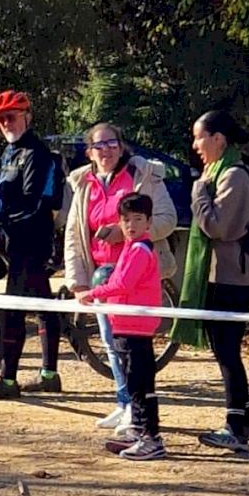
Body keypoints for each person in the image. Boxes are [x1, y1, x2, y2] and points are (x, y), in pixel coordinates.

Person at [63, 124, 178, 433]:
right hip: (100, 277)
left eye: (112, 143)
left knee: (132, 348)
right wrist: (77, 282)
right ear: (89, 152)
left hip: (134, 273)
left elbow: (168, 219)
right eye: (99, 146)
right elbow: (74, 235)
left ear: (122, 146)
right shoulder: (82, 184)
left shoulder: (144, 174)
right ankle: (124, 401)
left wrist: (126, 232)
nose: (106, 150)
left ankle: (138, 411)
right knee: (110, 343)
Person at [0, 90, 64, 398]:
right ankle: (49, 375)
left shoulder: (36, 153)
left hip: (33, 238)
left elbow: (32, 202)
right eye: (0, 119)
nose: (6, 123)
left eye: (11, 117)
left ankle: (8, 381)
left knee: (14, 308)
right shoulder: (10, 152)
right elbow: (0, 195)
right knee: (43, 304)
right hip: (15, 238)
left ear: (27, 117)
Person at [183, 110, 249, 452]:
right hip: (223, 275)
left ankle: (234, 425)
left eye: (199, 137)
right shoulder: (218, 172)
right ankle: (246, 419)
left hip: (235, 277)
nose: (195, 145)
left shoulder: (233, 176)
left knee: (227, 350)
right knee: (224, 349)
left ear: (218, 139)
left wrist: (199, 192)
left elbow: (218, 227)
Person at [76, 191, 165, 461]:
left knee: (141, 382)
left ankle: (152, 437)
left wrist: (93, 293)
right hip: (125, 324)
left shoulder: (140, 249)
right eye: (126, 219)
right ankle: (137, 428)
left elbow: (123, 283)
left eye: (138, 219)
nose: (131, 225)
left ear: (148, 222)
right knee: (132, 379)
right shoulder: (130, 247)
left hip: (137, 326)